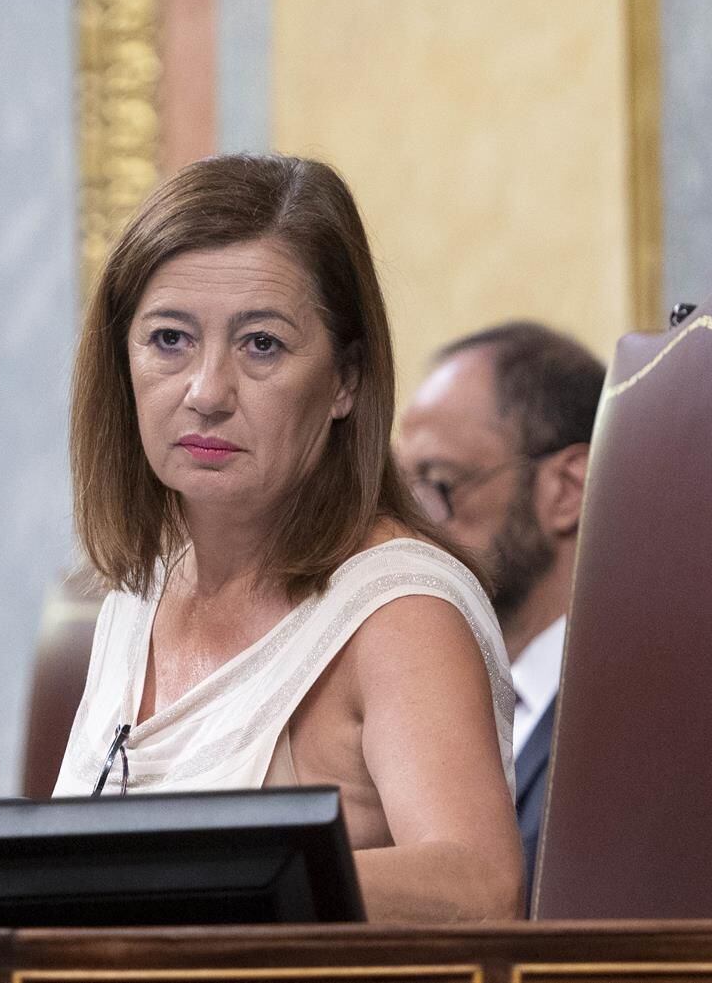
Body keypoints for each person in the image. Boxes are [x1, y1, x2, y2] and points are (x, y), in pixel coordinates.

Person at [54, 154, 523, 922]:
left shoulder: (399, 612)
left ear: (345, 381)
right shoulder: (140, 592)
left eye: (261, 345)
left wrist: (208, 877)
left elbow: (480, 888)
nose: (206, 391)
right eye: (169, 339)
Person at [396, 322, 603, 893]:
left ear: (568, 489)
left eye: (439, 484)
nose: (411, 527)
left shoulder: (631, 716)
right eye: (402, 492)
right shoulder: (417, 694)